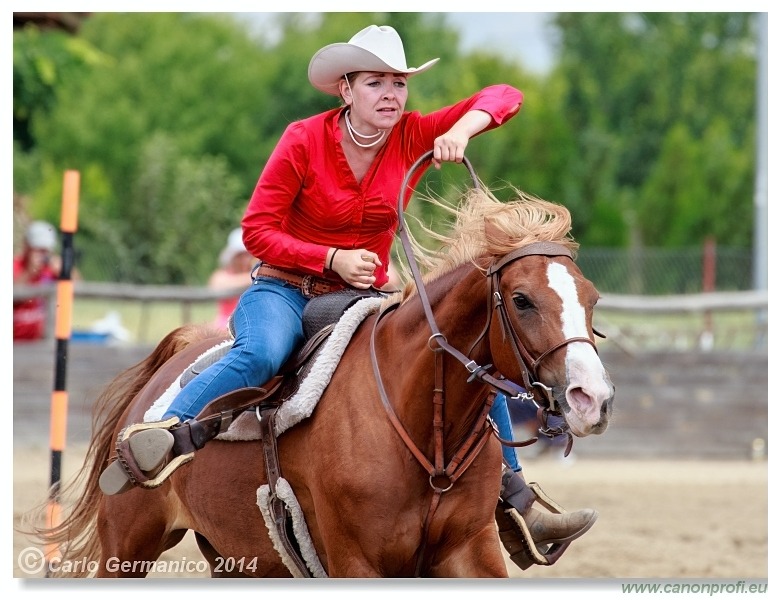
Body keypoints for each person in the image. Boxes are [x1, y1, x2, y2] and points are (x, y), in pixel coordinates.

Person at [98, 24, 596, 552]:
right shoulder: (303, 140)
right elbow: (257, 232)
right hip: (285, 290)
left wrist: (464, 128)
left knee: (461, 352)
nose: (390, 95)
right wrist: (330, 256)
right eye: (376, 83)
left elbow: (505, 96)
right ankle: (161, 433)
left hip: (361, 299)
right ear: (346, 89)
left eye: (398, 84)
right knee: (262, 352)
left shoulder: (410, 135)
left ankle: (516, 498)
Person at [13, 220, 60, 341]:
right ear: (27, 247)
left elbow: (79, 286)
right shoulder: (16, 265)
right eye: (38, 249)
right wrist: (30, 271)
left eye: (45, 250)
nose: (42, 255)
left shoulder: (51, 269)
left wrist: (65, 272)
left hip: (41, 341)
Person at [208, 228, 256, 331]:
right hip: (224, 326)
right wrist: (253, 276)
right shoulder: (222, 275)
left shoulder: (257, 274)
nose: (245, 259)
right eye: (240, 255)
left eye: (248, 254)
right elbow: (217, 284)